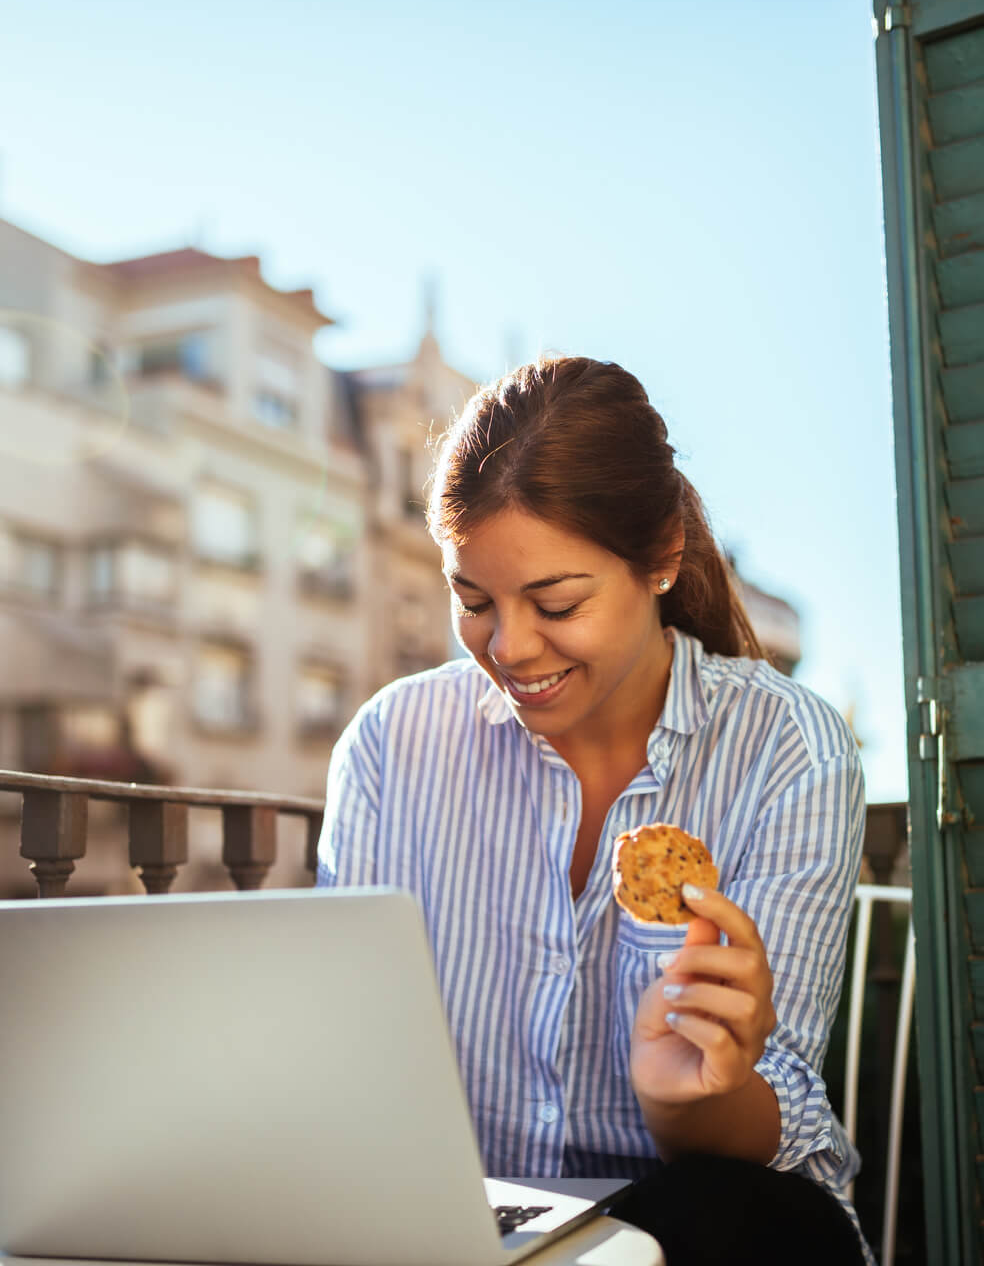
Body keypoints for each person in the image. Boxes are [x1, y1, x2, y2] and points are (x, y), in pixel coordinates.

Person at [316, 356, 870, 1265]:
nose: (509, 645)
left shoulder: (785, 744)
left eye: (556, 602)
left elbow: (767, 1123)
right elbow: (349, 1051)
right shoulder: (390, 740)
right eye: (473, 601)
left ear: (660, 562)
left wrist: (685, 1093)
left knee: (745, 1221)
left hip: (697, 1211)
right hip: (456, 1220)